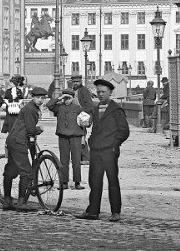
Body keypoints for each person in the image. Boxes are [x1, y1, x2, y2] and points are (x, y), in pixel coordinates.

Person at [78, 79, 130, 221]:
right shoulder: (96, 109)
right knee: (94, 181)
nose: (100, 94)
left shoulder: (116, 110)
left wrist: (115, 145)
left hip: (109, 151)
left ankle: (115, 212)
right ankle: (93, 211)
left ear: (110, 93)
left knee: (112, 181)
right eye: (98, 92)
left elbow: (124, 131)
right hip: (96, 150)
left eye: (103, 92)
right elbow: (93, 126)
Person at [2, 86, 48, 212]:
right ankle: (21, 203)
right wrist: (40, 129)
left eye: (42, 98)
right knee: (27, 172)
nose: (40, 100)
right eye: (38, 98)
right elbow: (30, 130)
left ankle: (7, 201)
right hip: (18, 142)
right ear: (32, 97)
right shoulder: (30, 109)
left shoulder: (33, 108)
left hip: (15, 140)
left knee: (11, 170)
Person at [47, 86, 91, 191]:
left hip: (75, 136)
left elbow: (86, 118)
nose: (67, 101)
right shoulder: (59, 107)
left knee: (76, 160)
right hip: (63, 137)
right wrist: (59, 98)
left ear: (73, 98)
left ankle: (77, 182)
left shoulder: (78, 108)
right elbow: (49, 105)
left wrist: (86, 124)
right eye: (65, 98)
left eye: (69, 98)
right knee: (63, 160)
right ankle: (64, 182)